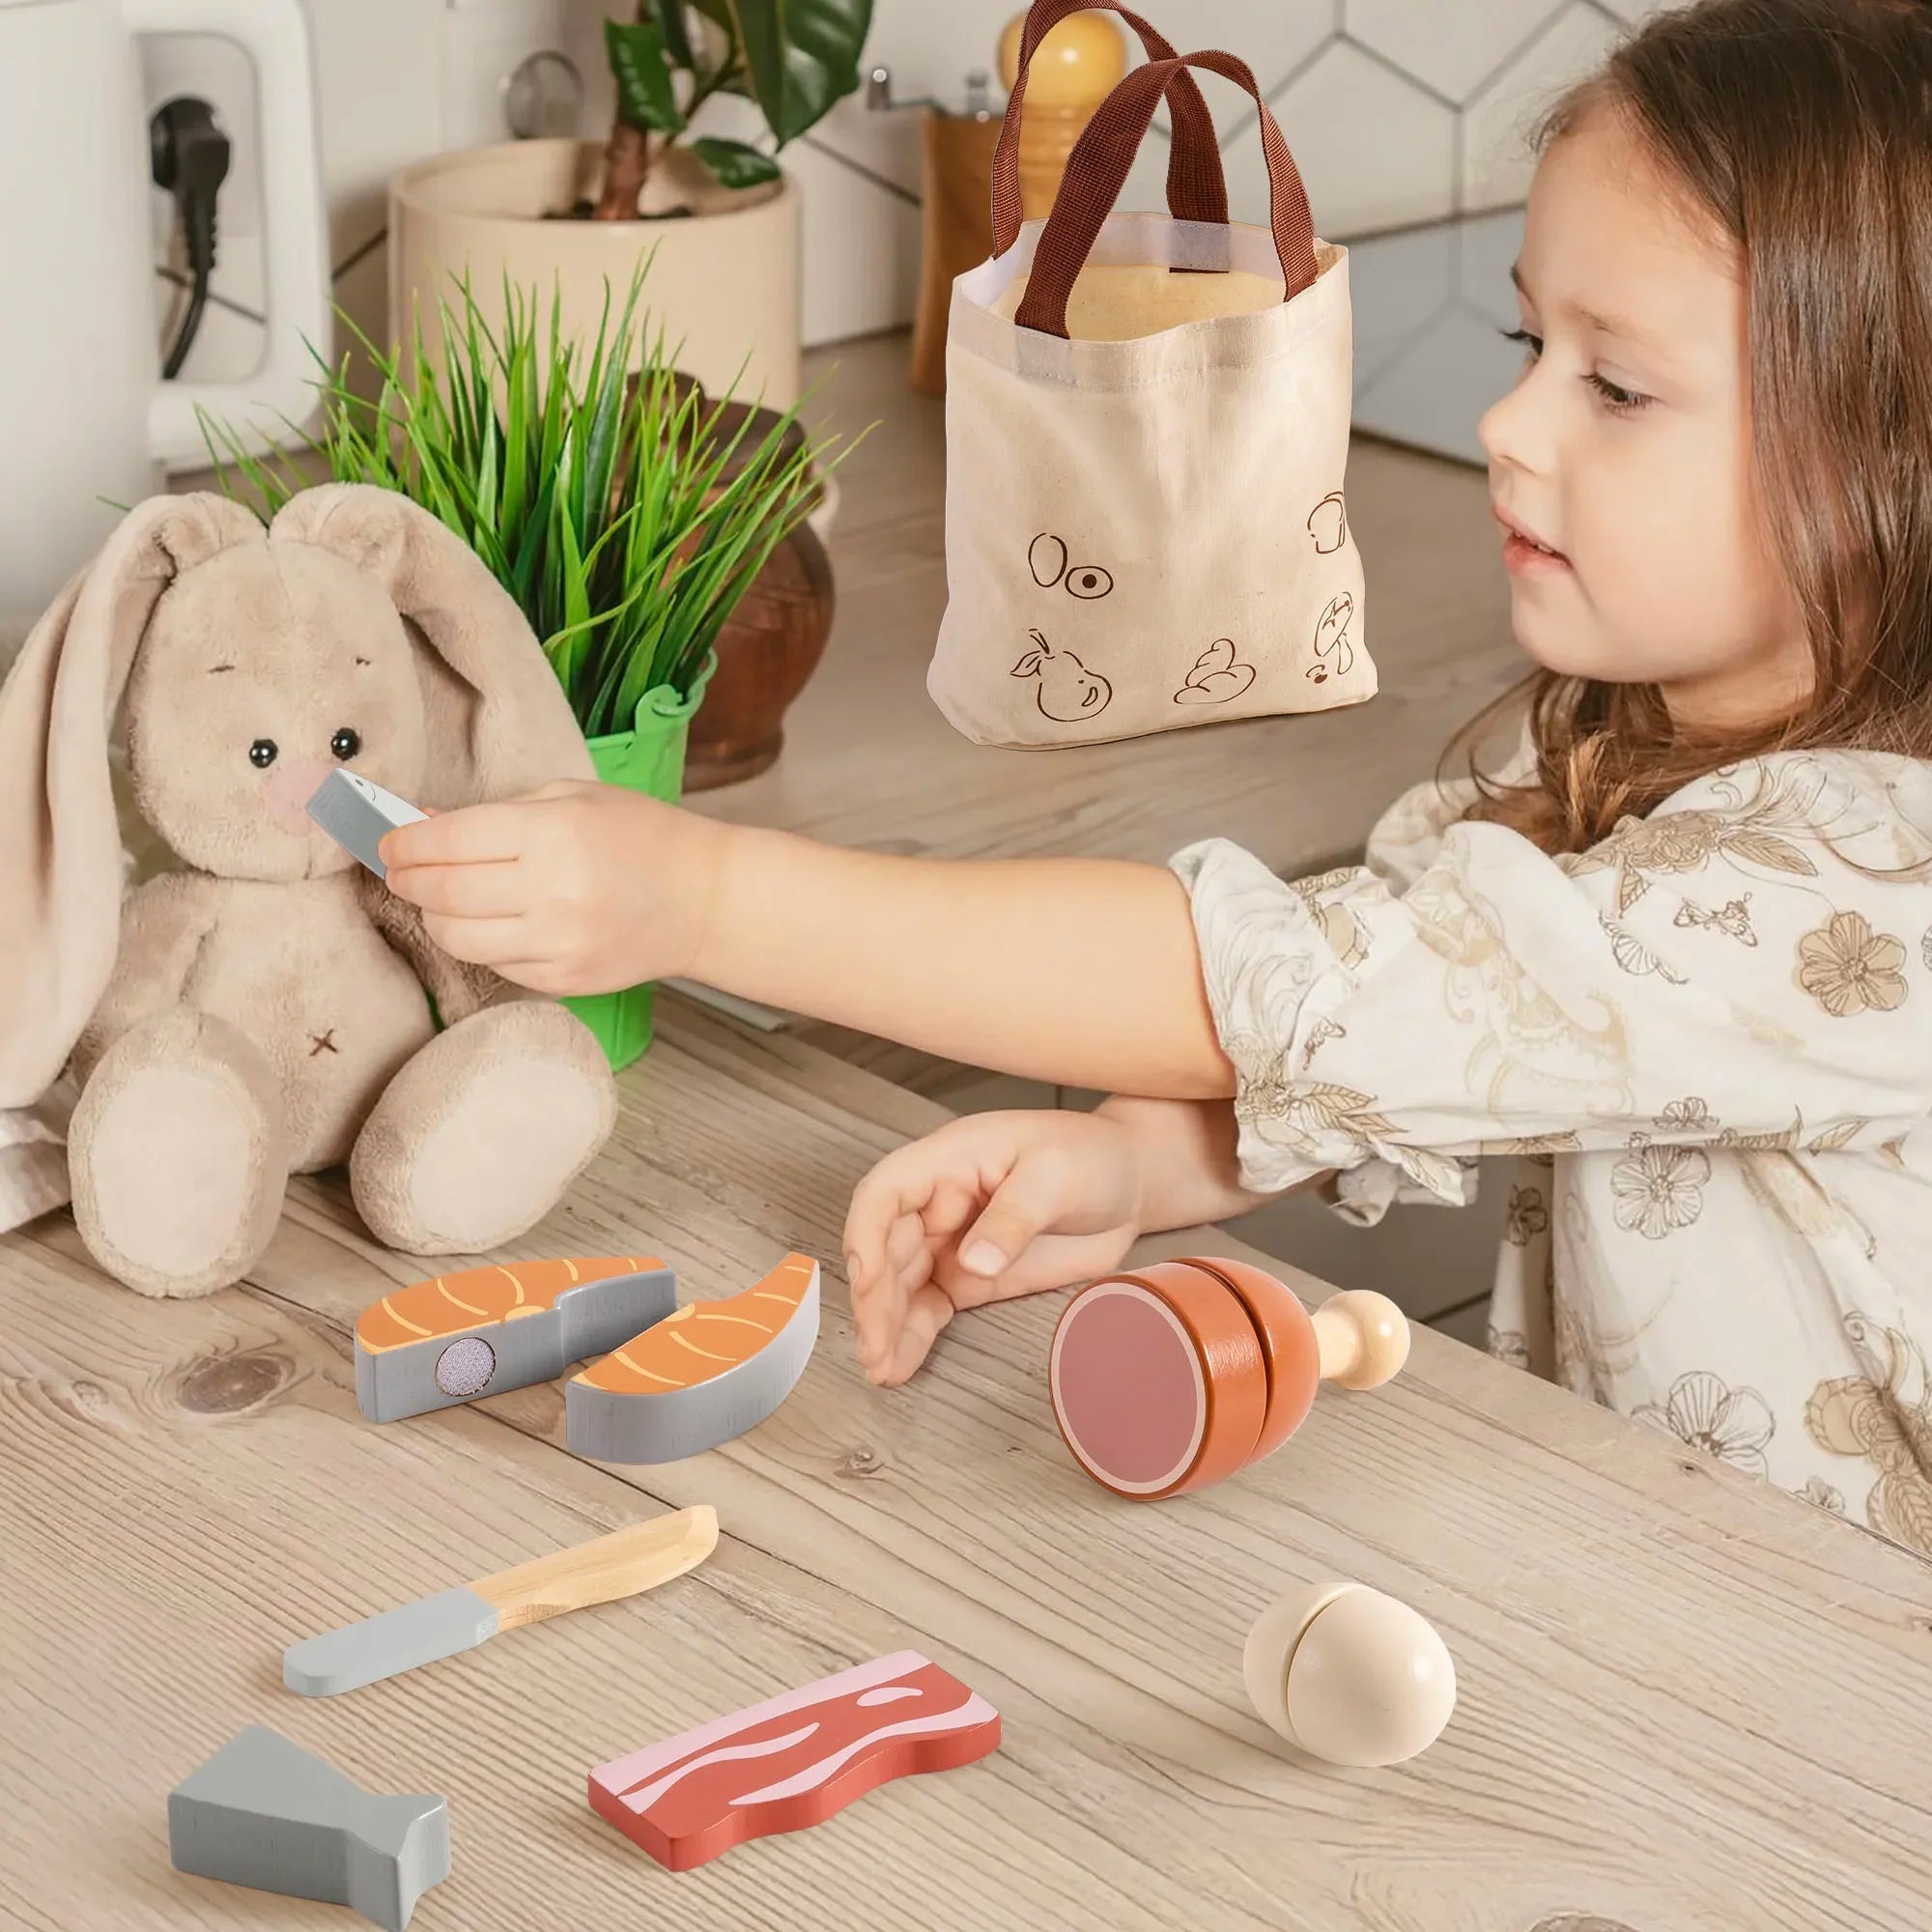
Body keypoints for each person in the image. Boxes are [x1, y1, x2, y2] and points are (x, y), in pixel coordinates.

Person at [381, 0, 1932, 1551]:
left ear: (1890, 462)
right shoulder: (1621, 730)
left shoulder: (1867, 882)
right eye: (1533, 344)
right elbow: (1422, 1013)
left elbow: (1273, 988)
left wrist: (697, 893)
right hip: (1679, 1609)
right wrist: (1141, 1158)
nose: (1505, 421)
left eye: (1617, 387)